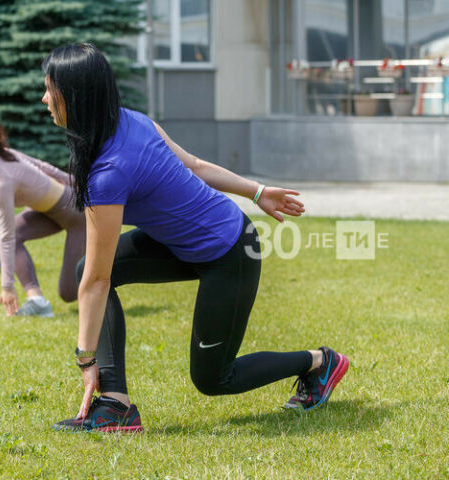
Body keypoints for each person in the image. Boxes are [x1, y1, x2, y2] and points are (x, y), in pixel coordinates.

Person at [41, 44, 350, 432]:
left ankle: (320, 362)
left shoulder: (111, 168)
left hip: (230, 251)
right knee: (90, 266)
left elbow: (98, 282)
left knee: (214, 378)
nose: (44, 98)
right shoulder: (128, 121)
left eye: (50, 89)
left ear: (76, 96)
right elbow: (197, 167)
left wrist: (85, 359)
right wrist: (256, 191)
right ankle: (116, 406)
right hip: (181, 246)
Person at [0, 113, 86, 317]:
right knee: (16, 231)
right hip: (50, 212)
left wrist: (7, 287)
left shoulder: (3, 181)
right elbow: (43, 167)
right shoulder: (5, 156)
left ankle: (105, 274)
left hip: (76, 216)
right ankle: (37, 301)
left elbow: (5, 237)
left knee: (68, 293)